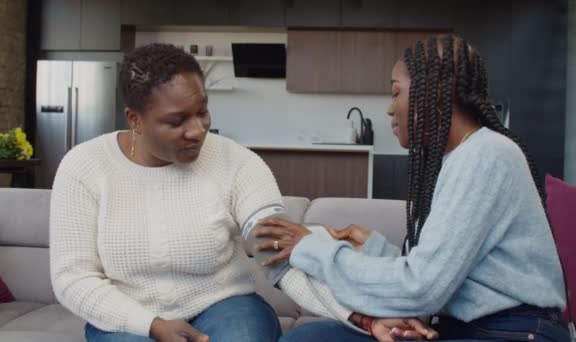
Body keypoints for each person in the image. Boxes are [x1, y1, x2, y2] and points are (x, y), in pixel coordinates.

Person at [49, 43, 382, 342]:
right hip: (128, 317)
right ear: (135, 120)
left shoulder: (237, 162)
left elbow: (278, 255)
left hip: (225, 304)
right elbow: (73, 278)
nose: (197, 131)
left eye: (202, 112)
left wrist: (362, 318)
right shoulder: (84, 167)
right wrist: (151, 324)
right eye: (177, 121)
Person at [255, 35, 570, 342]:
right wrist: (375, 249)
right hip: (468, 327)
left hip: (513, 332)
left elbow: (421, 289)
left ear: (433, 92)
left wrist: (311, 247)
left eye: (395, 92)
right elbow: (437, 275)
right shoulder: (460, 157)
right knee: (312, 336)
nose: (390, 109)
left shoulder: (486, 155)